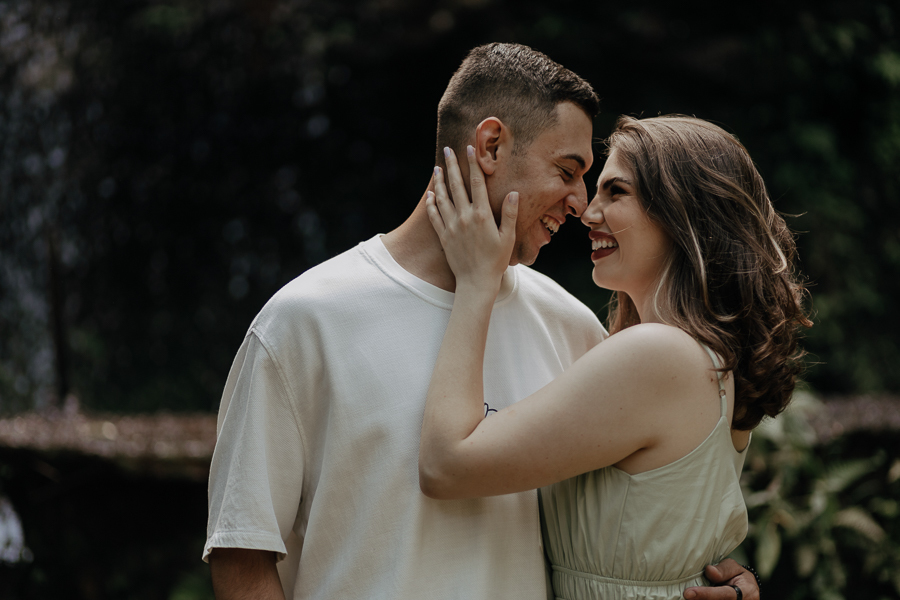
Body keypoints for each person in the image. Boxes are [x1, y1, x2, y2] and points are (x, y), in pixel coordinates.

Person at [204, 43, 761, 600]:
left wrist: (713, 576)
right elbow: (241, 555)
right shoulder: (304, 321)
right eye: (567, 171)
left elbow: (635, 516)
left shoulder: (573, 328)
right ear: (491, 145)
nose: (580, 204)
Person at [419, 115, 810, 599]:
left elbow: (446, 466)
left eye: (616, 192)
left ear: (682, 213)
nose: (588, 212)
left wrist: (477, 281)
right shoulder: (708, 357)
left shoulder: (660, 354)